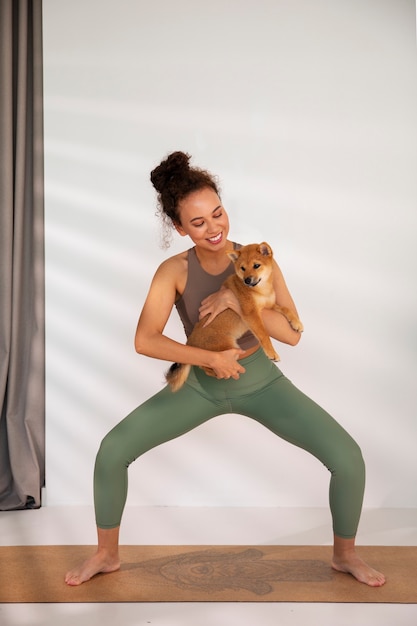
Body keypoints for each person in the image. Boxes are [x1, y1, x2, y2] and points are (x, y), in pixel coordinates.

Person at [65, 151, 385, 587]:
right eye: (198, 223)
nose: (214, 228)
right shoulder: (173, 270)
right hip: (199, 386)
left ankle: (345, 556)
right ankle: (106, 555)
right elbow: (145, 340)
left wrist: (237, 298)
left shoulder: (255, 259)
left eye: (218, 214)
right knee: (111, 451)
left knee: (348, 458)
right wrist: (211, 358)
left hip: (262, 382)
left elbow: (291, 334)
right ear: (180, 228)